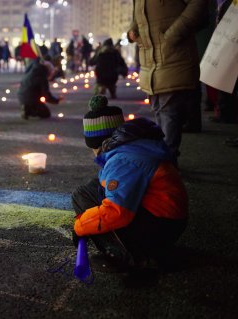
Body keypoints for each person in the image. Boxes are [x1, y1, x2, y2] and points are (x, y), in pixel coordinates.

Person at [72, 95, 188, 270]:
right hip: (163, 219)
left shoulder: (123, 160)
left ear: (101, 144)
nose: (93, 154)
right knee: (86, 192)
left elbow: (117, 212)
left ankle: (131, 257)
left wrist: (80, 226)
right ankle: (143, 249)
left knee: (86, 200)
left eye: (93, 148)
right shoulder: (133, 145)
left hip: (160, 226)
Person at [127, 0, 207, 164]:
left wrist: (173, 34)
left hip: (173, 56)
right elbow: (139, 16)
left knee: (168, 111)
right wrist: (132, 31)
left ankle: (166, 161)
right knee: (158, 108)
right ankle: (165, 159)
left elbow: (198, 5)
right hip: (151, 61)